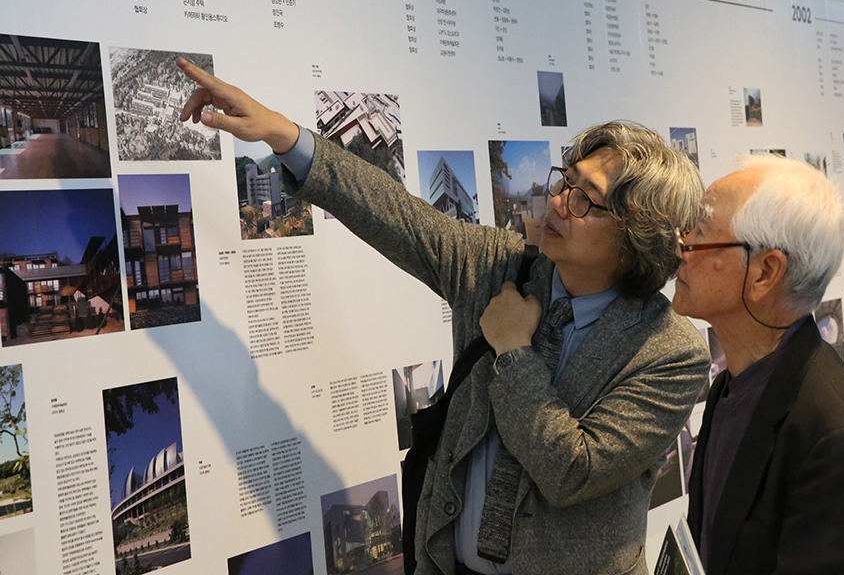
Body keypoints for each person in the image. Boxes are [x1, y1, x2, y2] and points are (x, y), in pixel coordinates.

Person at [175, 59, 711, 575]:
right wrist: (284, 135)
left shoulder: (669, 351)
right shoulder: (498, 268)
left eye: (584, 199)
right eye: (563, 180)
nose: (557, 202)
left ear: (638, 235)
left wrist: (514, 353)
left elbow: (571, 470)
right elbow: (396, 214)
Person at [673, 154, 844, 575]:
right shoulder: (732, 387)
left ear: (765, 273)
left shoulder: (837, 437)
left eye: (701, 231)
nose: (683, 246)